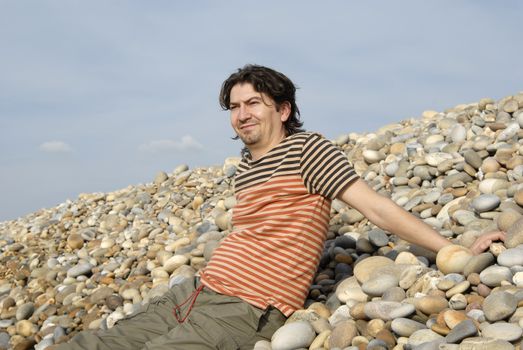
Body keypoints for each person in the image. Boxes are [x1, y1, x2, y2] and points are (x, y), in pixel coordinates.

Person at [55, 65, 505, 349]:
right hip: (192, 293)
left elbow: (377, 208)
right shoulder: (246, 169)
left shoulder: (308, 149)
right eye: (234, 106)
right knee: (94, 341)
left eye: (254, 102)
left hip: (245, 309)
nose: (242, 113)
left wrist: (457, 250)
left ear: (283, 109)